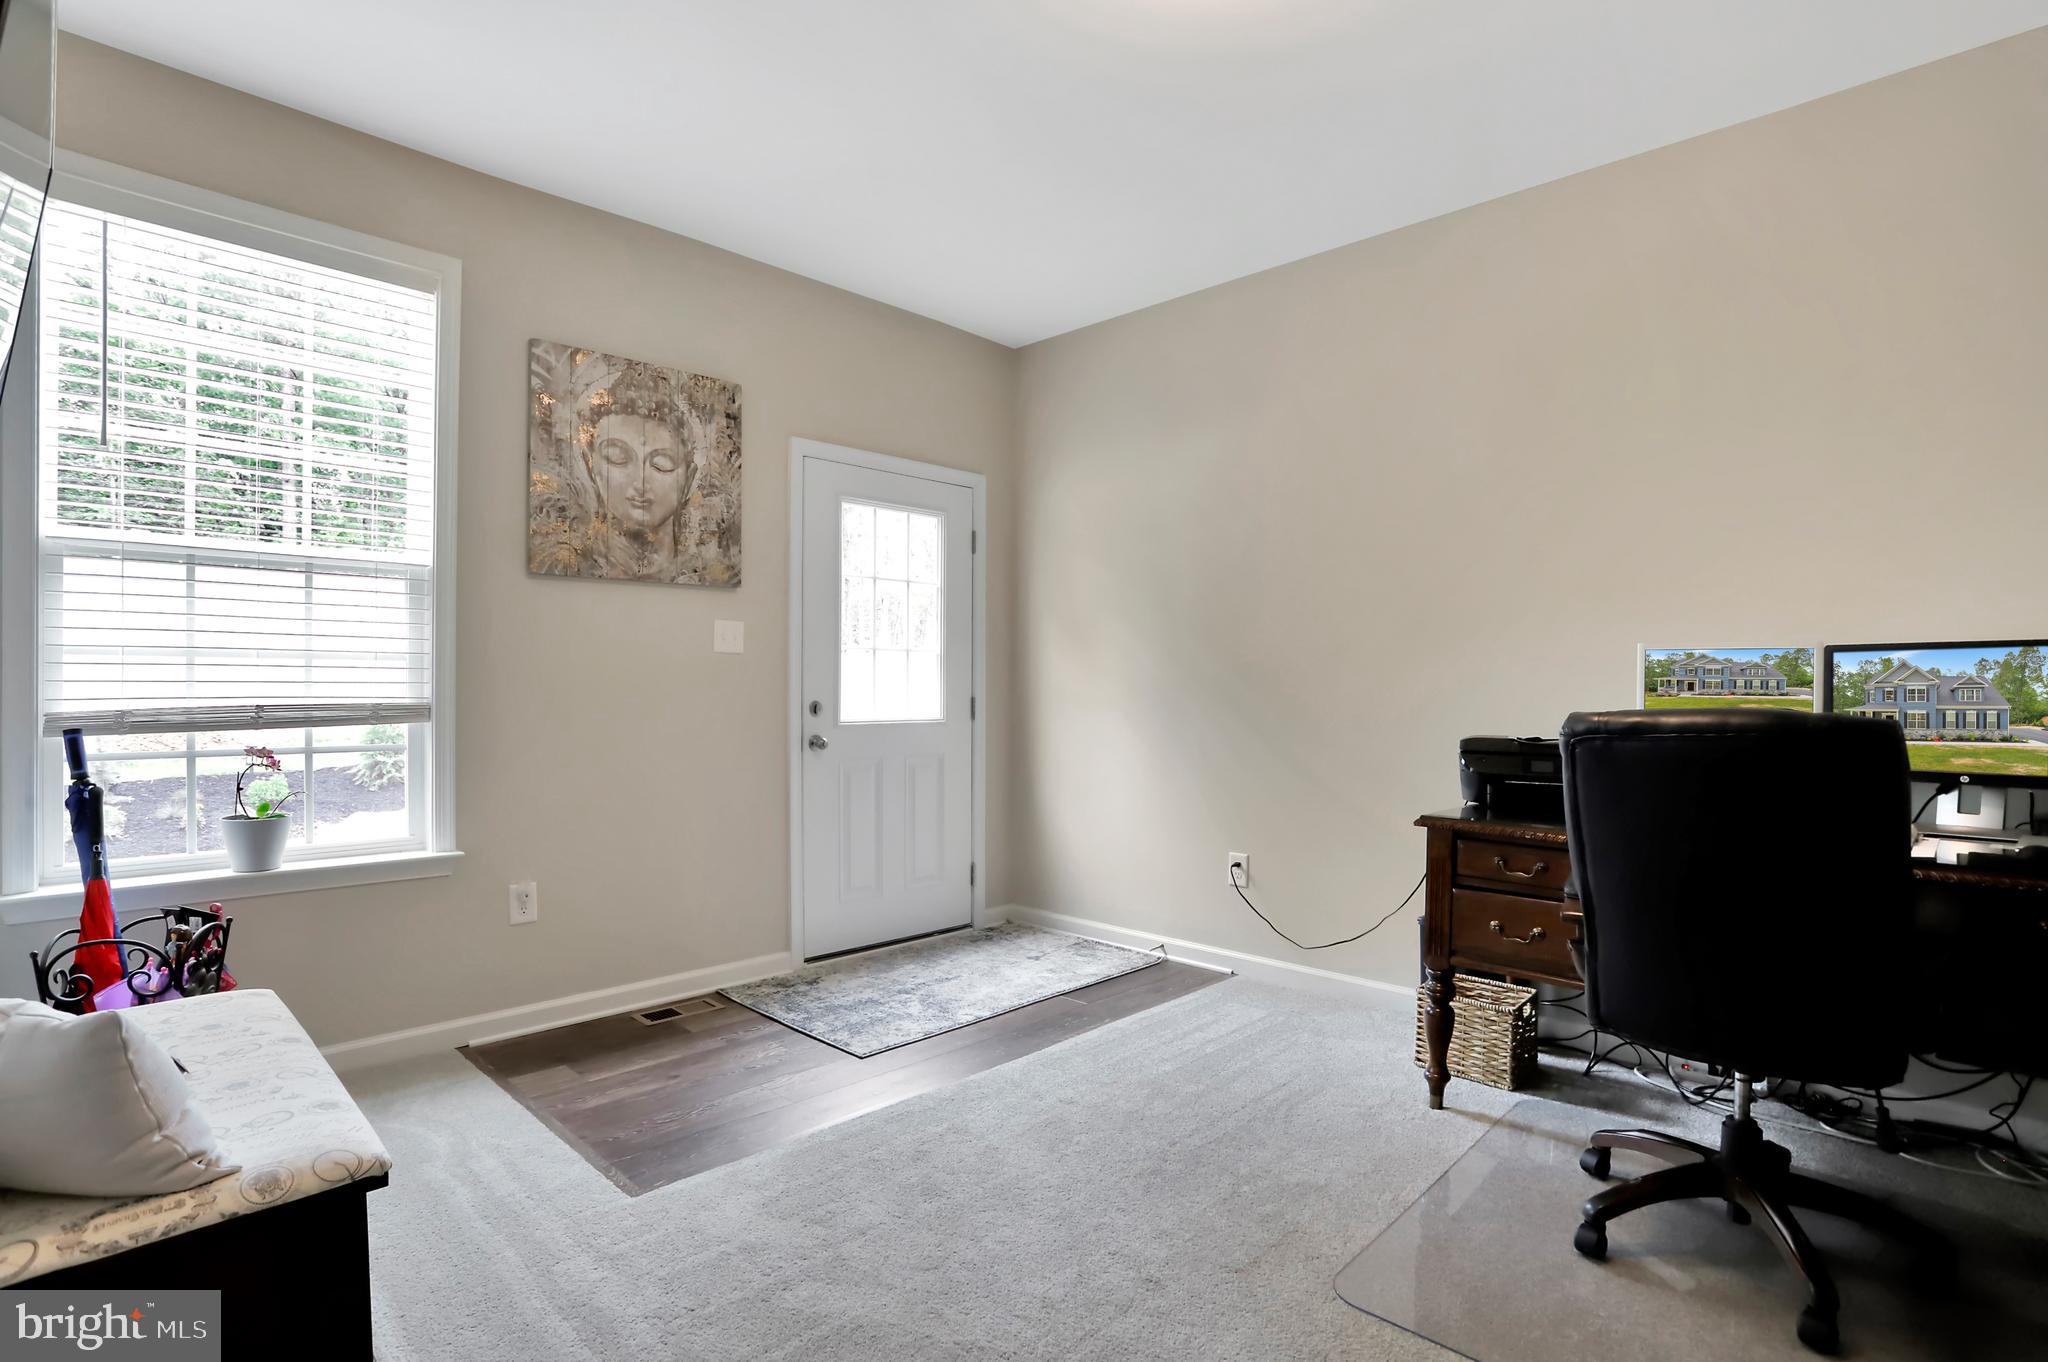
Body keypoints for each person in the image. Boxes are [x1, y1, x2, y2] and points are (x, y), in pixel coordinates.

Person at [579, 361, 698, 580]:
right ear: (590, 466)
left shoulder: (705, 572)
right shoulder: (573, 563)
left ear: (689, 477)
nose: (640, 482)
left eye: (662, 463)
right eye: (618, 458)